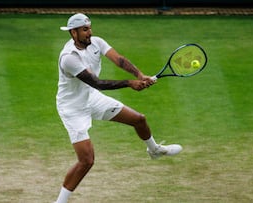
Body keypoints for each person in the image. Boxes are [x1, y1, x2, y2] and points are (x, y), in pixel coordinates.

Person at [54, 13, 182, 203]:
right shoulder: (69, 58)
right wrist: (130, 83)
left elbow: (119, 60)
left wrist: (139, 75)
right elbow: (97, 83)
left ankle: (154, 150)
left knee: (139, 119)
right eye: (85, 30)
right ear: (73, 33)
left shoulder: (96, 42)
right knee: (86, 161)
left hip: (91, 97)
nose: (90, 33)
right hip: (72, 108)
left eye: (89, 28)